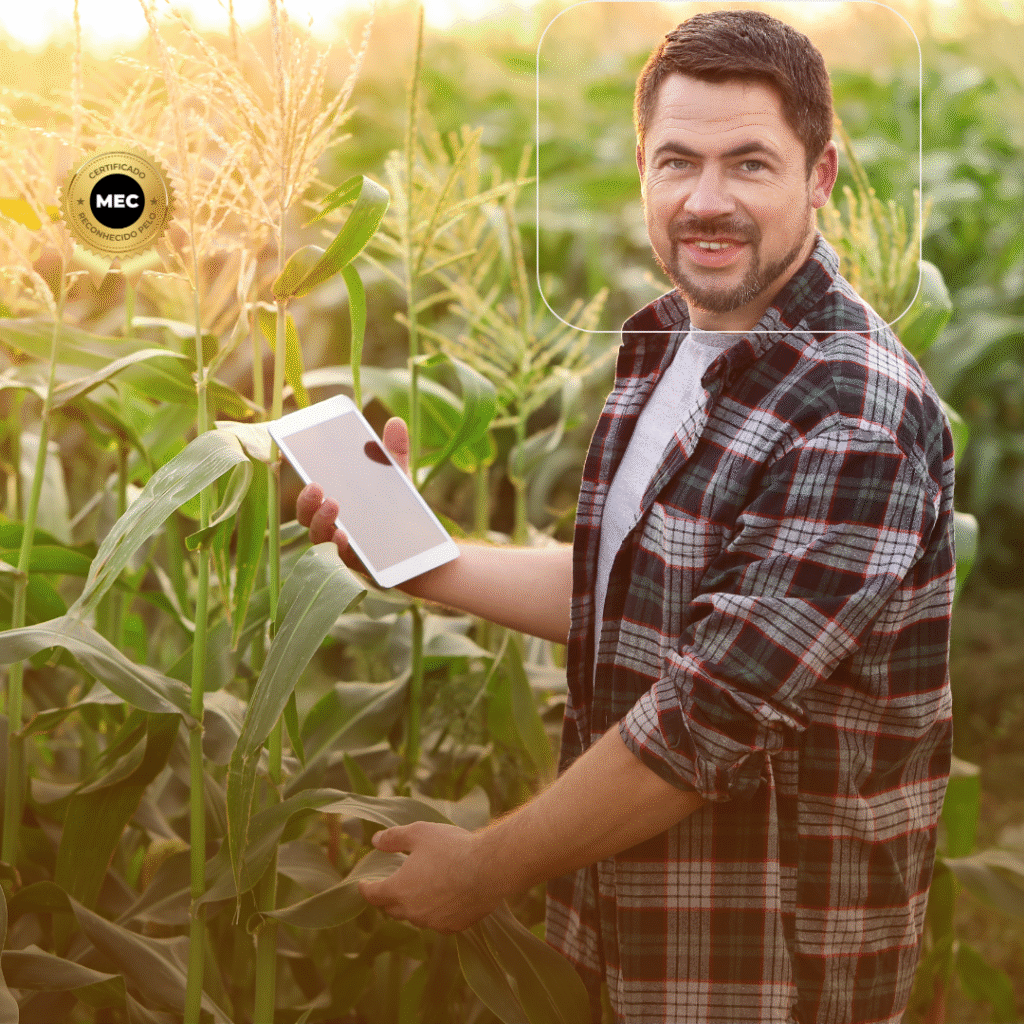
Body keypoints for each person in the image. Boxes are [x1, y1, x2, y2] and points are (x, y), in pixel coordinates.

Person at [297, 10, 955, 1023]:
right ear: (640, 166)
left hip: (758, 970)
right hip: (623, 931)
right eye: (677, 161)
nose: (706, 200)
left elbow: (707, 718)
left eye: (749, 164)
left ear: (820, 174)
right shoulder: (671, 345)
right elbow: (640, 597)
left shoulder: (851, 413)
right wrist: (420, 556)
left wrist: (483, 868)